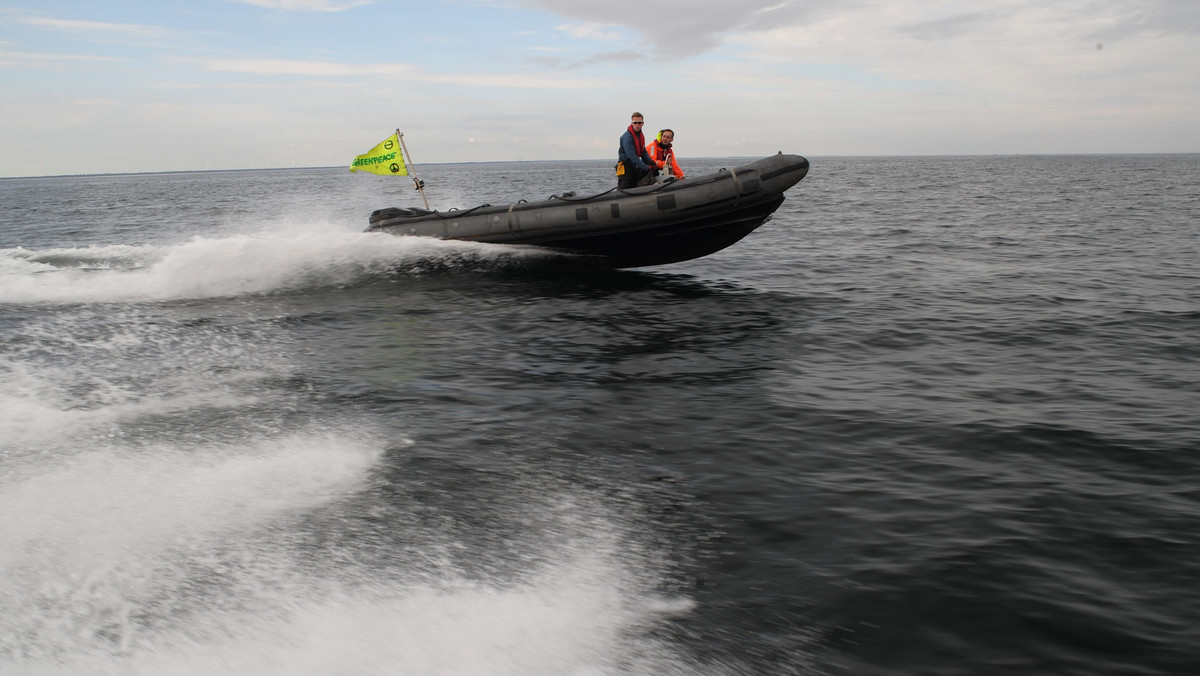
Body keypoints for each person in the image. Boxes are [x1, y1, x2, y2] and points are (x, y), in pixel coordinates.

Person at [616, 112, 655, 189]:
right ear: (632, 123)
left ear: (642, 124)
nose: (637, 124)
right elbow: (632, 157)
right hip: (624, 166)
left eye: (639, 123)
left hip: (633, 165)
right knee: (625, 185)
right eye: (635, 122)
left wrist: (651, 162)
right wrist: (646, 167)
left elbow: (643, 151)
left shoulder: (640, 135)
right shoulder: (627, 138)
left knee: (635, 183)